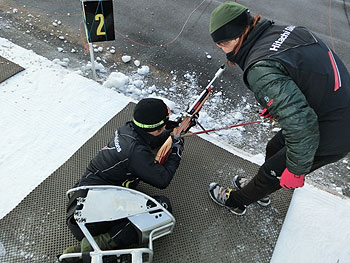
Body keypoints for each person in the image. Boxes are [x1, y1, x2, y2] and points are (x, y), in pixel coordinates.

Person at [208, 2, 350, 215]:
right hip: (331, 109)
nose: (220, 48)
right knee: (274, 148)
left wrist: (296, 170)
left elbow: (301, 126)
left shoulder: (260, 67)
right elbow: (302, 73)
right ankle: (260, 190)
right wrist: (279, 101)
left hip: (334, 131)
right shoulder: (287, 31)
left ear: (238, 36)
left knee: (271, 171)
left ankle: (237, 201)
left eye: (223, 43)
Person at [61, 98, 184, 260]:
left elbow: (151, 139)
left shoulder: (128, 129)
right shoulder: (136, 153)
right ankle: (97, 244)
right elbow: (162, 179)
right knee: (162, 208)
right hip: (88, 222)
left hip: (80, 201)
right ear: (157, 127)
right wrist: (176, 151)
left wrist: (172, 132)